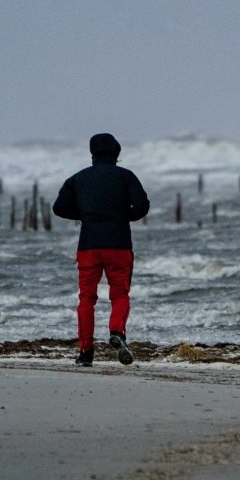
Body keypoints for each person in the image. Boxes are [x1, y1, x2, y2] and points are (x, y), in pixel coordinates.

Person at [52, 133, 150, 366]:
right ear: (116, 153)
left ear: (92, 154)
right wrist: (124, 216)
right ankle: (117, 331)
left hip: (88, 246)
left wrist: (86, 215)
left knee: (86, 297)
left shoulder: (78, 178)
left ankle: (86, 352)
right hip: (119, 244)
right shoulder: (126, 176)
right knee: (120, 294)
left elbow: (59, 208)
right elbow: (142, 205)